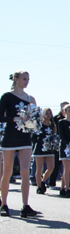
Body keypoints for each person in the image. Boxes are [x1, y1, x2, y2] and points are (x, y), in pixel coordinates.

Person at [0, 71, 38, 217]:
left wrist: (34, 121)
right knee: (7, 171)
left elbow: (35, 120)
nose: (26, 81)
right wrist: (15, 119)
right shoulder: (6, 96)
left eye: (28, 79)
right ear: (16, 79)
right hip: (10, 137)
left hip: (25, 138)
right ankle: (4, 204)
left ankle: (25, 206)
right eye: (24, 79)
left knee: (25, 171)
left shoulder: (30, 99)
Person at [32, 107, 56, 197]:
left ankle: (43, 181)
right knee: (39, 168)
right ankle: (39, 187)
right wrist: (41, 141)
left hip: (49, 149)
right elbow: (33, 137)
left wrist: (53, 143)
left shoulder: (52, 124)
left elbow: (55, 136)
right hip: (40, 148)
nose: (48, 115)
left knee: (51, 167)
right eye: (46, 113)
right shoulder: (39, 124)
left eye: (50, 113)